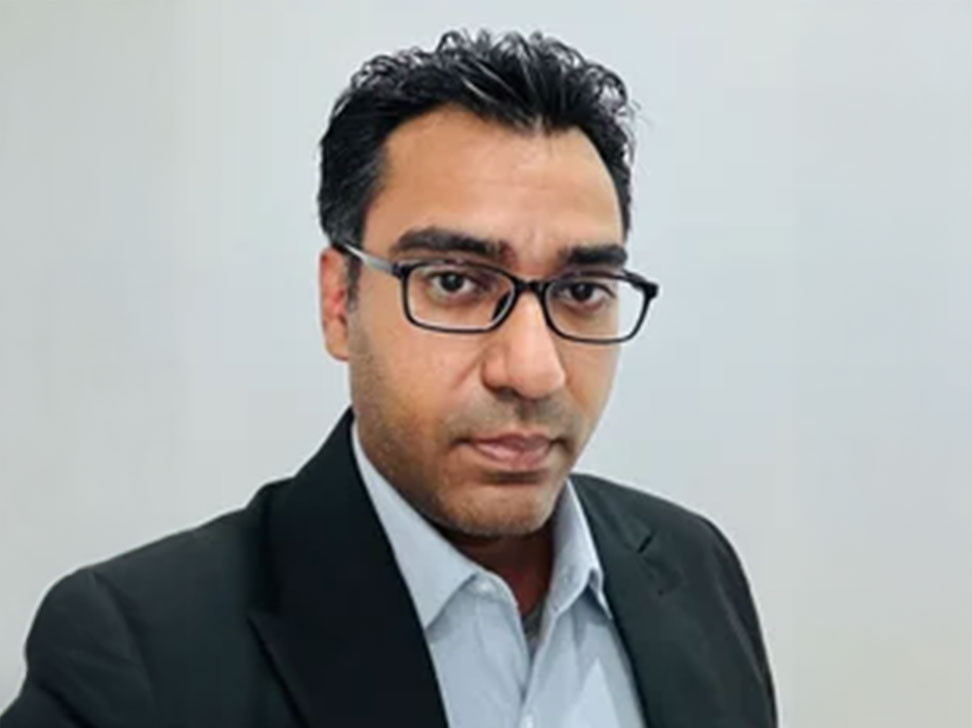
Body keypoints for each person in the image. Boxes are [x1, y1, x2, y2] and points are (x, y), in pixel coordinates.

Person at [1, 29, 776, 728]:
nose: (532, 369)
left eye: (581, 291)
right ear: (339, 303)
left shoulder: (694, 569)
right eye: (454, 282)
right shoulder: (139, 657)